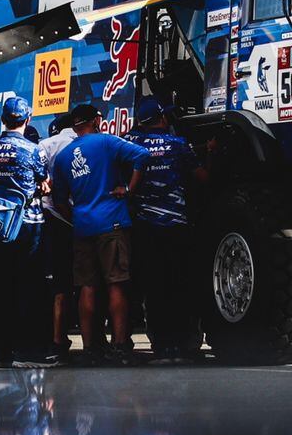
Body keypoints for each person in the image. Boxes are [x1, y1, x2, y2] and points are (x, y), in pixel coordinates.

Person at [62, 108, 151, 362]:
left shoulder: (65, 155)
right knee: (117, 283)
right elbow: (142, 156)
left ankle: (90, 347)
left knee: (87, 287)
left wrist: (77, 217)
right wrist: (129, 190)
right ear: (96, 121)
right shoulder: (107, 141)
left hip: (83, 226)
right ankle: (120, 345)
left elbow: (59, 200)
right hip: (112, 224)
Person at [0, 95, 53, 366]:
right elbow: (45, 181)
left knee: (1, 288)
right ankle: (27, 352)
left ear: (2, 119)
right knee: (29, 287)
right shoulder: (34, 150)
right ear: (28, 119)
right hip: (28, 224)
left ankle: (1, 352)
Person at [127, 99, 203, 360]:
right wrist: (212, 153)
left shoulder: (132, 145)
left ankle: (160, 345)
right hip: (175, 227)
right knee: (179, 284)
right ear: (162, 118)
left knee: (154, 287)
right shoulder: (178, 144)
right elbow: (202, 177)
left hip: (145, 227)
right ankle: (181, 345)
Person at [37, 102, 94, 356]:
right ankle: (93, 342)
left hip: (54, 220)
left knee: (60, 286)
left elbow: (38, 181)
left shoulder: (46, 145)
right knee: (89, 284)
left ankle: (58, 341)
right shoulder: (90, 143)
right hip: (85, 219)